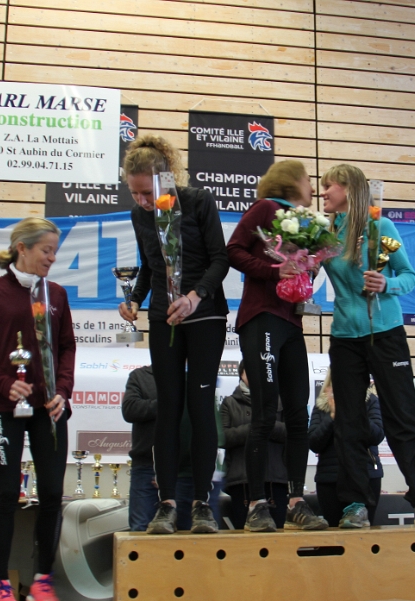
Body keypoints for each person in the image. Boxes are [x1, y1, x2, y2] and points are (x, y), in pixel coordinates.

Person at [0, 217, 76, 601]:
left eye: (55, 251)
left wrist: (63, 391)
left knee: (52, 494)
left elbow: (67, 347)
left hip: (49, 409)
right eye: (46, 250)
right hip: (3, 407)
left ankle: (43, 580)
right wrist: (1, 382)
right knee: (7, 493)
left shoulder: (56, 293)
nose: (52, 258)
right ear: (22, 248)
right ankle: (1, 585)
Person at [319, 163, 415, 529]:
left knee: (401, 414)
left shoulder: (380, 227)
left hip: (386, 333)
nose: (322, 193)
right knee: (348, 420)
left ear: (349, 190)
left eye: (329, 186)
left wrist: (386, 284)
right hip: (345, 337)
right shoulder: (325, 235)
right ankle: (355, 503)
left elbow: (409, 276)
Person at [117, 135, 228, 535]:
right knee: (167, 407)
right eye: (134, 194)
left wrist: (196, 297)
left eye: (147, 193)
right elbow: (150, 266)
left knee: (200, 406)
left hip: (205, 315)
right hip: (164, 317)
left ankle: (201, 503)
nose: (142, 201)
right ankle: (165, 503)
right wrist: (134, 298)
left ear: (164, 178)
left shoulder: (198, 201)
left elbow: (220, 259)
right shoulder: (139, 215)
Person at [227, 160, 326, 532]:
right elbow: (233, 250)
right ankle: (256, 504)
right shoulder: (266, 208)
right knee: (265, 411)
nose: (312, 186)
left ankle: (296, 501)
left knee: (298, 413)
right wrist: (274, 271)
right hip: (262, 317)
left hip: (291, 321)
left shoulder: (305, 223)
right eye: (308, 179)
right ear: (291, 182)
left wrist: (309, 266)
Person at [121, 365, 192, 531]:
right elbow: (130, 409)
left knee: (186, 533)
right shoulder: (140, 375)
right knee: (140, 530)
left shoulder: (193, 377)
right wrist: (169, 403)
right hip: (146, 466)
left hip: (184, 471)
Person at [309, 372, 384, 528]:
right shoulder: (322, 405)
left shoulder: (370, 401)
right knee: (334, 533)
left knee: (364, 534)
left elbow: (377, 435)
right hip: (330, 479)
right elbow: (314, 443)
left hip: (366, 477)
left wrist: (356, 409)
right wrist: (332, 416)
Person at [221, 365, 289, 530]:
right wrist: (253, 429)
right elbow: (222, 437)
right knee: (243, 535)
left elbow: (293, 433)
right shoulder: (230, 403)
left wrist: (268, 426)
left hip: (274, 477)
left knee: (278, 534)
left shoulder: (280, 400)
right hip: (241, 479)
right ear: (241, 374)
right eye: (249, 370)